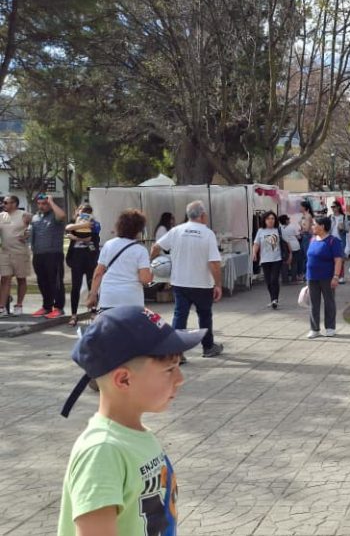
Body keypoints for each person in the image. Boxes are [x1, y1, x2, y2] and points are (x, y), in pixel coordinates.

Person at [57, 305, 205, 536]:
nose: (180, 379)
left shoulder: (135, 435)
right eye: (169, 369)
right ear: (124, 380)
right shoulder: (102, 452)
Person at [151, 200, 224, 358]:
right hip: (202, 283)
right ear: (202, 215)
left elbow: (156, 247)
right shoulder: (207, 233)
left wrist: (150, 263)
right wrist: (218, 284)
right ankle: (208, 347)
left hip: (180, 282)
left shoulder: (176, 230)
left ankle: (176, 353)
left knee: (180, 316)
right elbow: (214, 262)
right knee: (204, 315)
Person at [86, 209, 152, 312]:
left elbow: (98, 273)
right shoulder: (141, 250)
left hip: (109, 297)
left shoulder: (108, 245)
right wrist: (152, 273)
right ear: (139, 229)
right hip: (132, 299)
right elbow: (145, 279)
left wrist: (93, 294)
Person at [29, 193, 67, 319]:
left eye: (44, 203)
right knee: (42, 282)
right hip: (38, 254)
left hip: (53, 254)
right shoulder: (35, 217)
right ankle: (47, 307)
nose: (41, 206)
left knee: (55, 282)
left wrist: (51, 201)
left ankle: (59, 308)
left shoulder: (55, 215)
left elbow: (62, 215)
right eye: (39, 203)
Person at [305, 216, 344, 339]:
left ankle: (330, 327)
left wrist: (336, 276)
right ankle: (314, 329)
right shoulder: (312, 239)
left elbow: (338, 260)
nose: (312, 227)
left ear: (322, 226)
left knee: (329, 302)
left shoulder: (333, 241)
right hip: (312, 277)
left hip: (327, 277)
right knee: (313, 304)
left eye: (314, 224)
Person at [65, 204, 101, 325]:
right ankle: (73, 315)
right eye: (82, 210)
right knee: (76, 286)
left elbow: (90, 239)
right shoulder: (74, 223)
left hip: (90, 258)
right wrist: (81, 225)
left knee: (92, 285)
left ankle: (94, 312)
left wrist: (76, 238)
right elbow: (68, 228)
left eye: (87, 211)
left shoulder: (94, 224)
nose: (84, 213)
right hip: (76, 258)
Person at [0, 195, 31, 316]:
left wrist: (28, 235)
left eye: (6, 202)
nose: (3, 204)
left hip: (20, 252)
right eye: (3, 202)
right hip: (4, 252)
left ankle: (19, 305)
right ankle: (2, 307)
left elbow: (34, 227)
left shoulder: (24, 215)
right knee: (5, 278)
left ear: (14, 204)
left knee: (21, 279)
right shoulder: (1, 216)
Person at [253, 211, 290, 310]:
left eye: (272, 218)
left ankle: (275, 300)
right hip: (265, 259)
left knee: (274, 279)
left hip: (277, 259)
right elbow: (256, 243)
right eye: (268, 218)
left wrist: (290, 254)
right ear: (264, 220)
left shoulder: (278, 230)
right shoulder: (261, 231)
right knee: (268, 281)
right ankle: (272, 299)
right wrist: (254, 253)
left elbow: (287, 242)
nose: (270, 220)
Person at [279, 214, 301, 284]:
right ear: (286, 220)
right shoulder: (292, 227)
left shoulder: (280, 228)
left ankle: (285, 280)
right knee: (294, 264)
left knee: (284, 264)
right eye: (288, 219)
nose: (289, 220)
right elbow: (298, 237)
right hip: (294, 246)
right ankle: (294, 279)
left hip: (285, 248)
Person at [298, 200, 315, 280]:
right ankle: (305, 273)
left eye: (300, 206)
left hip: (306, 236)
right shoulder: (304, 216)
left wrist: (301, 230)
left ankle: (307, 273)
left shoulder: (307, 216)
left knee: (306, 255)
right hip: (305, 236)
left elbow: (307, 229)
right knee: (303, 256)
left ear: (304, 207)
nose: (299, 208)